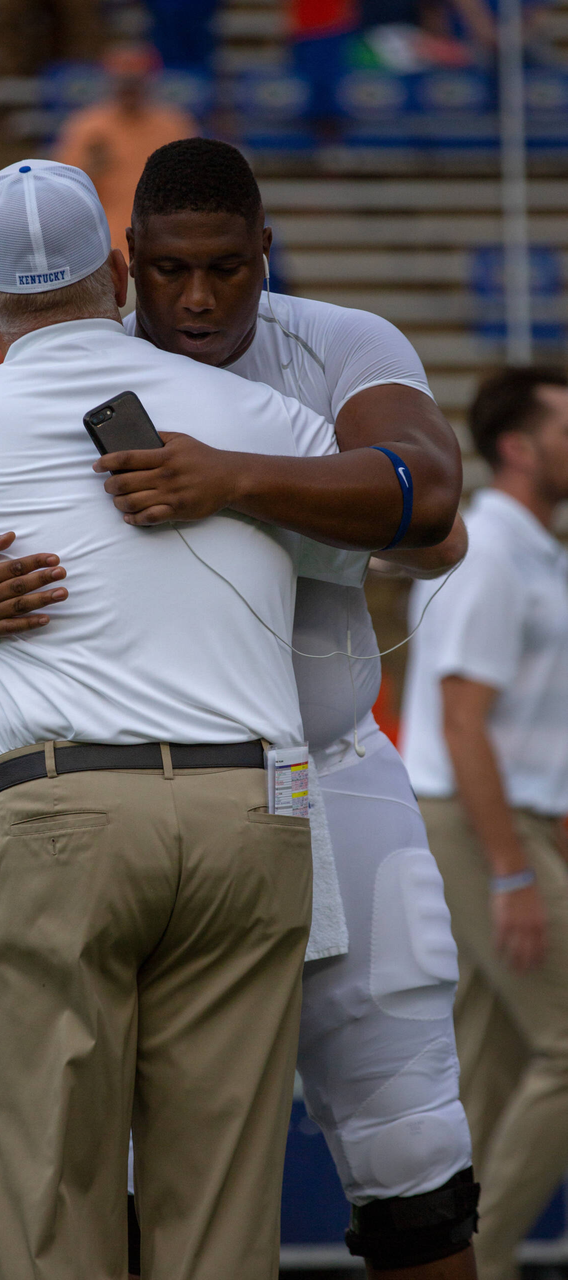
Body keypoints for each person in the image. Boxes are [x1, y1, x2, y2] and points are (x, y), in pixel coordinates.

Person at [0, 138, 479, 1277]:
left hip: (324, 761)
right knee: (99, 1172)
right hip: (150, 787)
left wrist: (229, 478)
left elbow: (431, 499)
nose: (197, 297)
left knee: (410, 1153)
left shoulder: (336, 342)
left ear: (266, 255)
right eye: (168, 271)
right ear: (122, 269)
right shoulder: (52, 376)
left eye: (225, 267)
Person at [401, 366, 568, 1280]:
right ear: (518, 446)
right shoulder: (496, 551)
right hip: (479, 825)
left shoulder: (532, 549)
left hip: (504, 821)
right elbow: (462, 720)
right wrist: (511, 869)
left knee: (491, 1069)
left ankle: (442, 1254)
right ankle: (478, 1265)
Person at [54, 45, 195, 252]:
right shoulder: (86, 127)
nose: (129, 89)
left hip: (164, 247)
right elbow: (60, 195)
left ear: (150, 81)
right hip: (103, 249)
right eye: (123, 81)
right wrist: (91, 168)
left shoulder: (174, 126)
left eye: (135, 81)